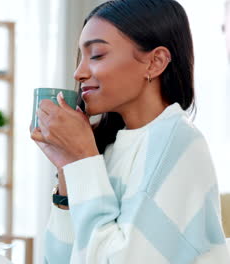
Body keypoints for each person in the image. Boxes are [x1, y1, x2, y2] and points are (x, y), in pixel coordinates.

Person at [30, 0, 230, 263]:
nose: (78, 73)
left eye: (97, 54)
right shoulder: (111, 146)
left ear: (155, 62)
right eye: (81, 57)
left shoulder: (178, 143)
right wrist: (67, 166)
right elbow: (57, 259)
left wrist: (80, 158)